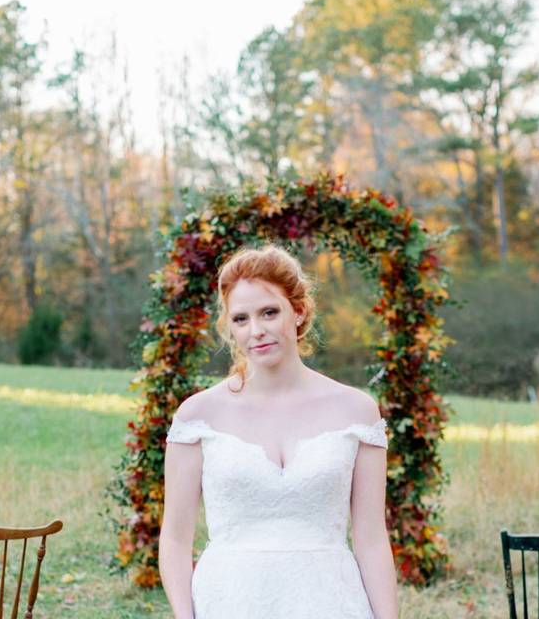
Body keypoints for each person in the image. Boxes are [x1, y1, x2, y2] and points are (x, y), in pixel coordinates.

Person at [158, 244, 399, 619]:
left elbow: (371, 539)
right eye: (241, 319)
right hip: (228, 602)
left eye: (269, 312)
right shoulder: (198, 415)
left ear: (298, 311)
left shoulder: (356, 411)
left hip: (332, 602)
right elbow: (174, 539)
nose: (256, 330)